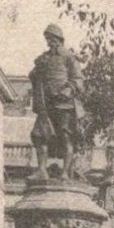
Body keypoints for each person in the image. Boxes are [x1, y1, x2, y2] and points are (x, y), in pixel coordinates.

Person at [29, 24, 86, 177]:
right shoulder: (43, 59)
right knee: (38, 135)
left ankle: (65, 172)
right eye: (47, 39)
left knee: (65, 136)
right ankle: (41, 169)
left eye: (52, 39)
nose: (49, 42)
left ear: (59, 40)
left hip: (64, 105)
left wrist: (69, 89)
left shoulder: (69, 58)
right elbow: (34, 76)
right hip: (46, 105)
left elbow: (78, 80)